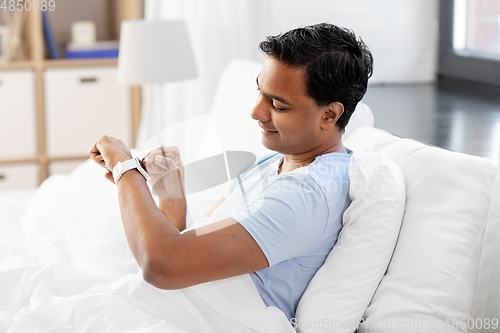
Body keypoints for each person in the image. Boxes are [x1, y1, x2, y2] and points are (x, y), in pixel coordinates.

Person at [89, 23, 373, 321]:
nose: (256, 112)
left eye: (277, 104)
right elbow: (186, 251)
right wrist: (172, 194)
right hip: (171, 304)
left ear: (329, 114)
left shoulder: (307, 195)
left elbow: (162, 266)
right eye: (260, 93)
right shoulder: (274, 162)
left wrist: (126, 170)